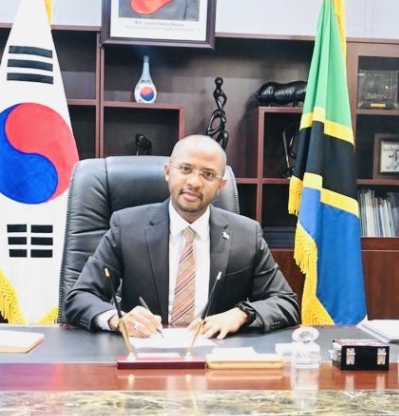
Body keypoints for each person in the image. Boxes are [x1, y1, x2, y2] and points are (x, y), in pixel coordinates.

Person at [63, 135, 300, 339]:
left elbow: (286, 302)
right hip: (144, 359)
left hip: (217, 364)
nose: (194, 182)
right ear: (168, 172)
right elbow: (79, 297)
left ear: (220, 185)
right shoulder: (126, 227)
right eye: (185, 169)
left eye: (207, 174)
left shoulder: (246, 234)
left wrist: (242, 314)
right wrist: (117, 320)